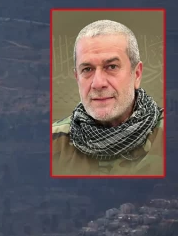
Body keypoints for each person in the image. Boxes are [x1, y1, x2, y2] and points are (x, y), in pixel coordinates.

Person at [52, 19, 164, 176]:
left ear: (137, 74)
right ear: (77, 77)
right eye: (87, 69)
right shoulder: (53, 142)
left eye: (111, 67)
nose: (98, 83)